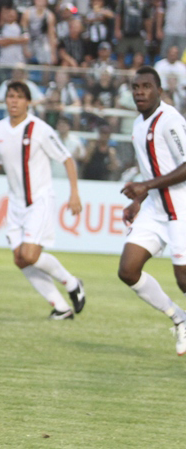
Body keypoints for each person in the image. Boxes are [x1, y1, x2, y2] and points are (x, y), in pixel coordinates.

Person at [0, 81, 86, 319]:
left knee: (30, 255)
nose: (14, 101)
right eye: (10, 96)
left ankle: (72, 283)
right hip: (16, 204)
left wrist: (74, 193)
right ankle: (61, 308)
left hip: (39, 201)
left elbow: (67, 158)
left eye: (19, 97)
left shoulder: (39, 129)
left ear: (28, 102)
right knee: (20, 260)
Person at [119, 66, 186, 356]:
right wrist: (138, 202)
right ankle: (179, 317)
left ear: (159, 90)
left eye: (146, 86)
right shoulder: (137, 125)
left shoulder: (170, 120)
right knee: (128, 270)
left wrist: (144, 186)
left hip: (181, 209)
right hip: (156, 210)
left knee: (183, 280)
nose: (140, 92)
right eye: (136, 87)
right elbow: (153, 168)